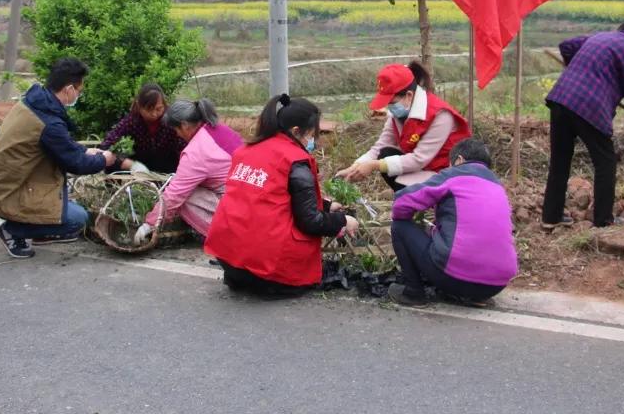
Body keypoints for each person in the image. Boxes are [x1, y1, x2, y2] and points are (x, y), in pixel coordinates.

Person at [205, 94, 360, 296]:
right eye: (312, 135)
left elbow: (272, 196)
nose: (313, 141)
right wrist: (342, 221)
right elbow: (310, 222)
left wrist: (327, 205)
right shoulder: (295, 160)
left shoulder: (246, 151)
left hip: (230, 262)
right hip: (269, 271)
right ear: (296, 131)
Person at [0, 57, 115, 259]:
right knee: (78, 219)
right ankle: (12, 231)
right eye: (79, 90)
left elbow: (60, 145)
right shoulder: (49, 122)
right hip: (4, 192)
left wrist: (84, 151)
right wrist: (104, 160)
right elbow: (75, 163)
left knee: (65, 204)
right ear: (68, 89)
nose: (79, 95)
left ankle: (38, 229)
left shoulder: (34, 102)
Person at [541, 15, 624, 229]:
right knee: (606, 163)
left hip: (561, 99)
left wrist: (576, 70)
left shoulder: (601, 37)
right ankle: (604, 221)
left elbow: (567, 46)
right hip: (588, 107)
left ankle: (551, 217)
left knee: (560, 160)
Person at [387, 138, 519, 308]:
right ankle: (475, 297)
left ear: (459, 160)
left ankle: (414, 293)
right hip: (496, 285)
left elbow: (403, 201)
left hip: (454, 277)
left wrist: (409, 217)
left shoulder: (455, 174)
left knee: (400, 227)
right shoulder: (498, 186)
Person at [337, 61, 470, 190]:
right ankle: (409, 198)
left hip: (446, 174)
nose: (389, 107)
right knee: (385, 153)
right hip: (423, 169)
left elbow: (419, 159)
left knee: (393, 174)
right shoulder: (399, 113)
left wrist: (374, 165)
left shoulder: (441, 115)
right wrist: (355, 166)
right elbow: (381, 145)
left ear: (409, 95)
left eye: (392, 102)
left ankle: (423, 201)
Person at [132, 98, 243, 242]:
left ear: (184, 125)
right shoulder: (219, 128)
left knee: (184, 197)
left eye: (176, 129)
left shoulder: (195, 152)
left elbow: (174, 195)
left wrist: (149, 224)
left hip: (237, 209)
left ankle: (226, 237)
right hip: (249, 198)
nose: (177, 134)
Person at [99, 83, 185, 174]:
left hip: (169, 171)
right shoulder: (131, 122)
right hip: (139, 173)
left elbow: (185, 146)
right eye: (149, 110)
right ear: (139, 106)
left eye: (159, 109)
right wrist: (131, 165)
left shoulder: (171, 121)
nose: (154, 114)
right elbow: (106, 146)